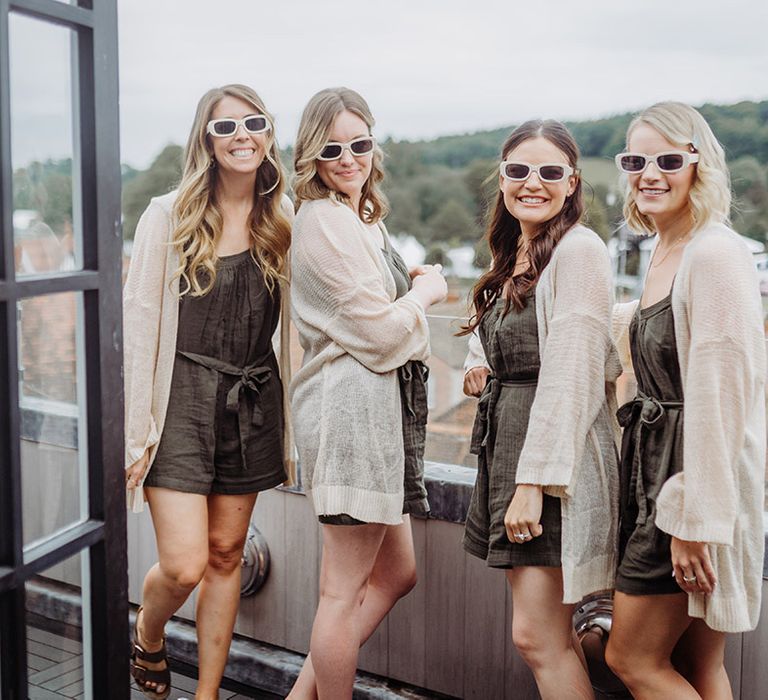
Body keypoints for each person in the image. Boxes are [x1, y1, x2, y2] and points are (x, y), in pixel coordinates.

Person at [123, 84, 293, 700]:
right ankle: (147, 628)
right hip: (181, 400)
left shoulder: (284, 220)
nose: (243, 135)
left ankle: (207, 694)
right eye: (227, 127)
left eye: (255, 122)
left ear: (270, 133)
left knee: (226, 556)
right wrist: (135, 434)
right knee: (185, 564)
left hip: (252, 402)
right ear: (207, 140)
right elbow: (139, 328)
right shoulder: (167, 215)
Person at [287, 87, 447, 700]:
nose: (349, 157)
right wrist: (427, 294)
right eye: (333, 148)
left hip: (380, 421)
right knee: (340, 590)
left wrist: (408, 281)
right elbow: (381, 336)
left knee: (397, 573)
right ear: (311, 155)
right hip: (351, 418)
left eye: (360, 143)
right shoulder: (323, 221)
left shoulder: (360, 217)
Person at [605, 102, 766, 699]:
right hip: (661, 469)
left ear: (701, 165)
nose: (650, 172)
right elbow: (644, 336)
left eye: (668, 159)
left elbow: (725, 393)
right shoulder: (666, 249)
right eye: (635, 160)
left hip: (687, 484)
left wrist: (695, 519)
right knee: (700, 666)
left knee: (631, 658)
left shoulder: (715, 253)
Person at [461, 120, 621, 700]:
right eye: (518, 170)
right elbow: (509, 336)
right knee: (542, 635)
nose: (533, 182)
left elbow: (574, 370)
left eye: (550, 172)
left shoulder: (578, 251)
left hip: (551, 461)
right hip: (514, 445)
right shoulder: (520, 250)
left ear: (572, 182)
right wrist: (480, 361)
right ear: (501, 178)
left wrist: (533, 483)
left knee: (538, 636)